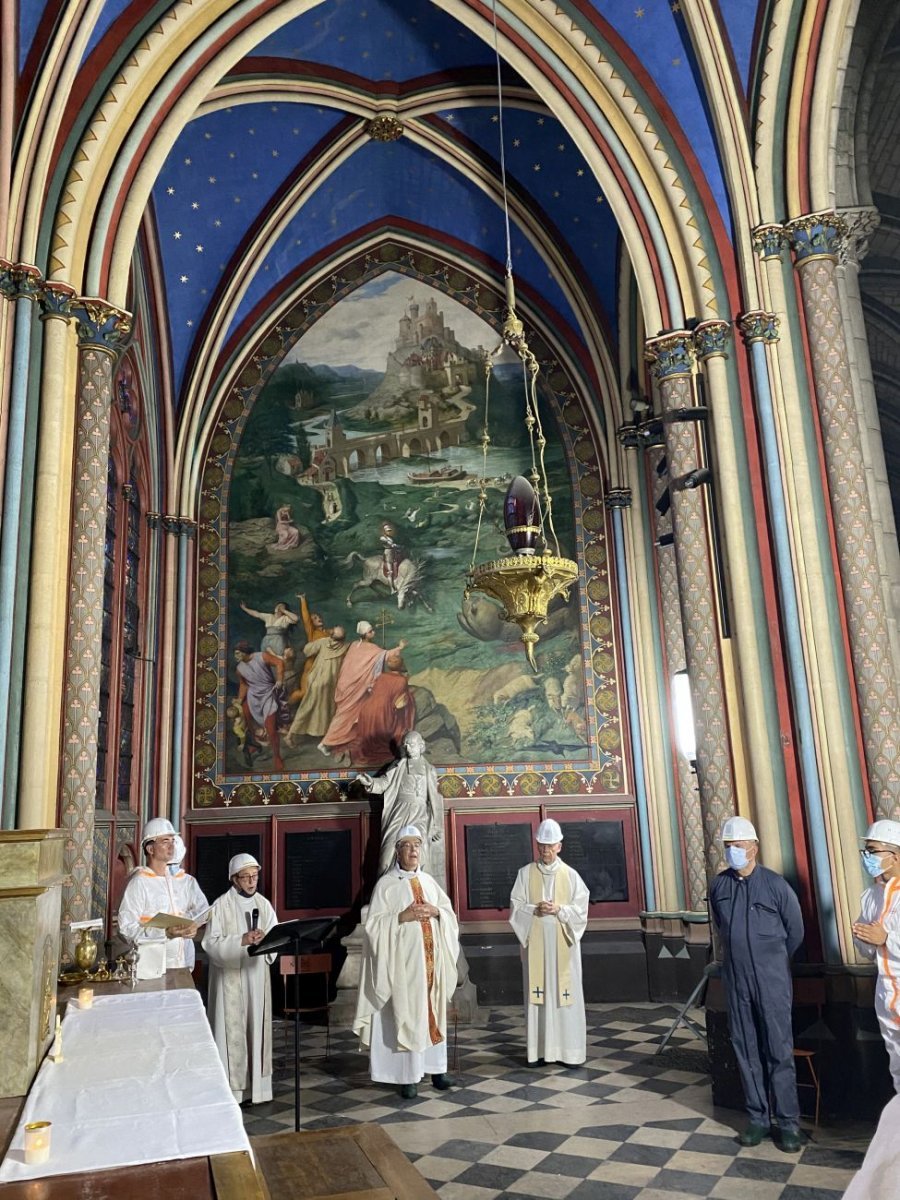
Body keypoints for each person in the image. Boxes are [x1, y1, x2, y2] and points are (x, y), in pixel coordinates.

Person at [708, 815, 804, 1152]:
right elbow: (721, 926)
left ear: (754, 848)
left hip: (772, 978)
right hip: (736, 978)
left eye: (739, 845)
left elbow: (795, 932)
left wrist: (772, 961)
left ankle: (788, 1123)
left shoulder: (776, 886)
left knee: (779, 1049)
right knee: (745, 1048)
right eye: (728, 846)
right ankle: (758, 1119)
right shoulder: (719, 886)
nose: (733, 850)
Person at [353, 825, 459, 1099]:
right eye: (407, 846)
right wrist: (401, 918)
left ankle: (437, 1069)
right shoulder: (387, 885)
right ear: (397, 851)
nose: (413, 851)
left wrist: (436, 912)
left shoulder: (429, 882)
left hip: (431, 965)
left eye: (417, 845)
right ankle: (407, 1076)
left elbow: (448, 915)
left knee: (431, 1011)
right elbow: (373, 927)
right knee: (408, 1013)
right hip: (402, 967)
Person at [509, 818, 588, 1067]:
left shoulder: (571, 876)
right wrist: (535, 909)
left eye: (550, 846)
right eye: (541, 846)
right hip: (537, 949)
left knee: (566, 995)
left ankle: (569, 1052)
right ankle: (539, 1052)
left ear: (559, 847)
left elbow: (581, 911)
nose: (545, 851)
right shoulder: (525, 874)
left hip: (563, 947)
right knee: (539, 996)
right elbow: (515, 907)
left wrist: (559, 910)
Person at [202, 853, 278, 1106]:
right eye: (245, 877)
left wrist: (266, 941)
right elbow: (210, 944)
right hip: (230, 979)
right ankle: (233, 1092)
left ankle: (258, 1090)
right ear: (234, 879)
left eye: (254, 876)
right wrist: (242, 941)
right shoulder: (220, 906)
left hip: (256, 978)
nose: (251, 882)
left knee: (256, 1027)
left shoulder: (264, 904)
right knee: (231, 1032)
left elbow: (275, 937)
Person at [117, 818, 208, 978]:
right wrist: (165, 933)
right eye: (165, 841)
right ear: (150, 849)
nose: (171, 845)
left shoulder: (177, 882)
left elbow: (199, 912)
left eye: (173, 840)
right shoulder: (140, 882)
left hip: (182, 964)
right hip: (151, 968)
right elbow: (126, 929)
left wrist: (191, 925)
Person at [851, 818, 900, 1093]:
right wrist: (865, 939)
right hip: (886, 992)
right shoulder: (871, 896)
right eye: (865, 852)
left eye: (873, 851)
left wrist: (888, 940)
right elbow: (867, 948)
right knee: (897, 1064)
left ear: (893, 856)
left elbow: (885, 938)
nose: (867, 858)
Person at [357, 730, 443, 880]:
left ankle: (421, 895)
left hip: (420, 814)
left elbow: (434, 798)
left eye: (412, 745)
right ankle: (384, 892)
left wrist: (436, 825)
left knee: (420, 855)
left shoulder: (429, 769)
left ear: (421, 746)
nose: (408, 748)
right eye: (406, 745)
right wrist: (370, 782)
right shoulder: (398, 765)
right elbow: (384, 783)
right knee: (386, 855)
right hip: (399, 811)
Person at [319, 620, 407, 760]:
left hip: (347, 684)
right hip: (354, 687)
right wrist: (400, 647)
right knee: (344, 715)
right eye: (371, 631)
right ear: (365, 634)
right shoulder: (372, 649)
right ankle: (326, 742)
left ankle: (343, 739)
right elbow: (388, 656)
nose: (374, 632)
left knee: (353, 713)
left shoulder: (354, 645)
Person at [348, 648, 416, 766]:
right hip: (382, 712)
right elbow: (400, 701)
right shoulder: (401, 680)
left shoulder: (381, 677)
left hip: (367, 710)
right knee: (409, 700)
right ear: (401, 666)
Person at [284, 625, 348, 747]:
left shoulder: (324, 642)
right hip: (329, 685)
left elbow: (307, 650)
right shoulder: (345, 647)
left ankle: (290, 736)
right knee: (327, 710)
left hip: (316, 682)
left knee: (307, 709)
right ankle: (326, 740)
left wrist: (313, 641)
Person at [234, 641, 288, 771]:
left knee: (271, 729)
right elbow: (244, 684)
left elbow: (279, 663)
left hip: (268, 694)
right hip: (253, 696)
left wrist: (280, 679)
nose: (235, 656)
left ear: (244, 651)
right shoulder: (240, 668)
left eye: (237, 653)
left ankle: (277, 757)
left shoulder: (262, 656)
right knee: (246, 719)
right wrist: (239, 700)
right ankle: (254, 745)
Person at [295, 593, 331, 703]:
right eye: (315, 618)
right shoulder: (312, 633)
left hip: (324, 667)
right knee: (304, 692)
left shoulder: (329, 633)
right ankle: (286, 706)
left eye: (318, 617)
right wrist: (303, 599)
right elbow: (306, 618)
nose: (319, 618)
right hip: (312, 666)